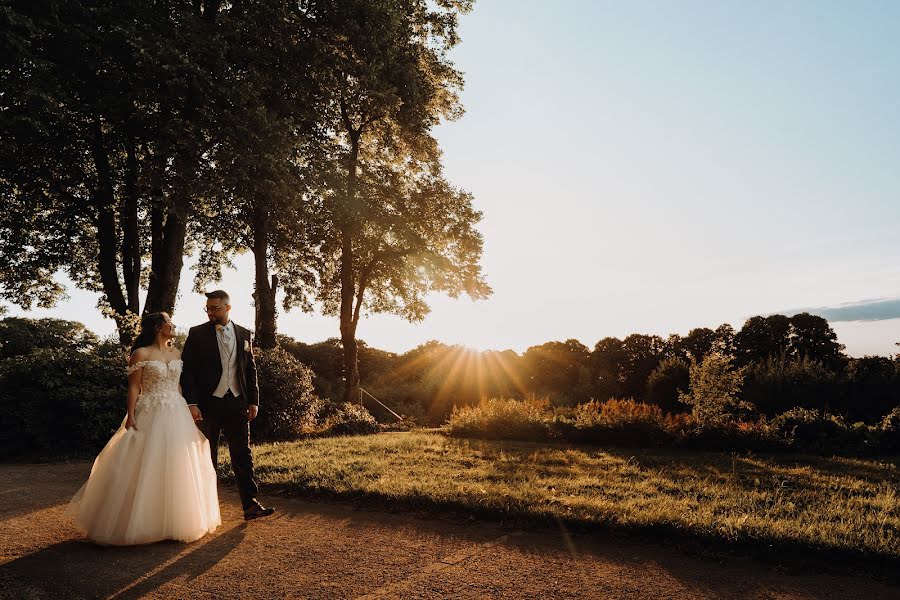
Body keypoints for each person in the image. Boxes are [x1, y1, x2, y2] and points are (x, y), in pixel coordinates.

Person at [67, 312, 221, 545]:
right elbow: (134, 388)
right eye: (170, 321)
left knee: (177, 463)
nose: (174, 324)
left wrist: (189, 408)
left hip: (176, 411)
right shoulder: (140, 354)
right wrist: (131, 414)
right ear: (159, 327)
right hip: (151, 409)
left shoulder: (176, 352)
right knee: (147, 462)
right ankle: (140, 522)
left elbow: (180, 385)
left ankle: (174, 521)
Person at [181, 290, 274, 520]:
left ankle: (251, 504)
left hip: (237, 402)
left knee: (242, 454)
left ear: (228, 307)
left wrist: (253, 400)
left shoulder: (244, 333)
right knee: (207, 456)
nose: (210, 312)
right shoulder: (197, 333)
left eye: (215, 308)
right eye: (208, 308)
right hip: (207, 404)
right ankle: (204, 509)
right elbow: (188, 371)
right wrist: (191, 402)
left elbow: (249, 368)